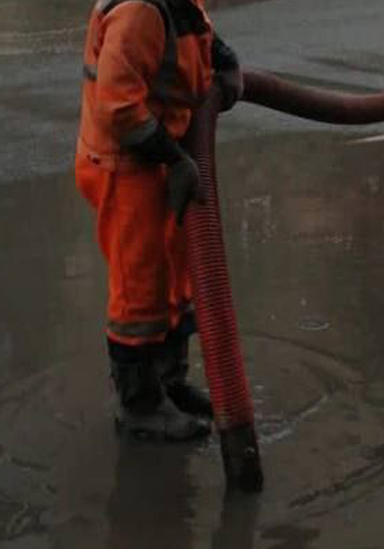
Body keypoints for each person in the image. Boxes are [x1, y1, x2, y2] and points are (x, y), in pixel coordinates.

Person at [74, 0, 241, 441]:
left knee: (173, 276)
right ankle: (140, 405)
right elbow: (118, 108)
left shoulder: (174, 3)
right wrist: (176, 159)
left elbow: (199, 34)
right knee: (141, 288)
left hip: (163, 153)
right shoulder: (138, 11)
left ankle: (169, 383)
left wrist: (227, 62)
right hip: (125, 165)